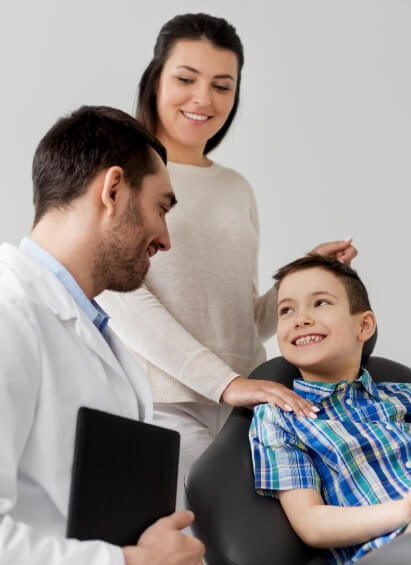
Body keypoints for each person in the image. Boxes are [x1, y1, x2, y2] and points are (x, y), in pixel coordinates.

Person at [97, 12, 357, 507]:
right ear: (156, 79)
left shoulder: (237, 188)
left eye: (222, 85)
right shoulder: (122, 173)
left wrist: (300, 278)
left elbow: (241, 319)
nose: (203, 99)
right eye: (186, 78)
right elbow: (121, 300)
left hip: (245, 408)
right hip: (165, 405)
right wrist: (226, 383)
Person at [0, 105, 205, 565]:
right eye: (161, 207)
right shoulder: (9, 310)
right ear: (113, 190)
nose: (165, 239)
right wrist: (130, 564)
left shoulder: (90, 328)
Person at [249, 254, 411, 565]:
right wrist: (405, 508)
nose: (301, 318)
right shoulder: (280, 417)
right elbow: (311, 524)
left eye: (320, 303)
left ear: (364, 325)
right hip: (397, 546)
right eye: (286, 310)